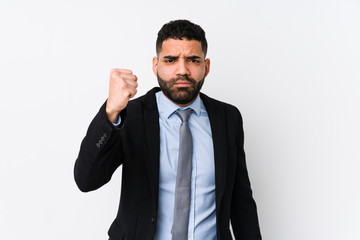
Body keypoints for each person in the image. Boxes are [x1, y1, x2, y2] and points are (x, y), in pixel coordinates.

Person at [74, 19, 262, 240]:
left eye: (193, 60)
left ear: (206, 66)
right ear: (156, 65)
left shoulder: (227, 118)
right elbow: (86, 180)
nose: (182, 71)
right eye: (170, 60)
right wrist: (111, 111)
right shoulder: (131, 115)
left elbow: (241, 202)